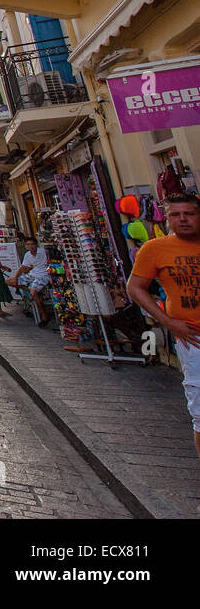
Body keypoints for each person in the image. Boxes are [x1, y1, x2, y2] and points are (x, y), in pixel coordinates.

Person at [126, 193, 200, 460]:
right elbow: (135, 288)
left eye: (189, 213)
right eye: (176, 215)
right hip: (193, 340)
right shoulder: (155, 249)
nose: (183, 220)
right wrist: (168, 322)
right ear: (166, 218)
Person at [8, 236, 51, 326]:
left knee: (33, 292)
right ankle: (31, 290)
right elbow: (23, 267)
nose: (30, 246)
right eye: (28, 244)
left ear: (36, 245)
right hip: (33, 274)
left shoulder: (43, 252)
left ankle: (44, 314)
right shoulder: (27, 255)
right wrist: (16, 277)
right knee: (9, 281)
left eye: (32, 244)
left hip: (43, 275)